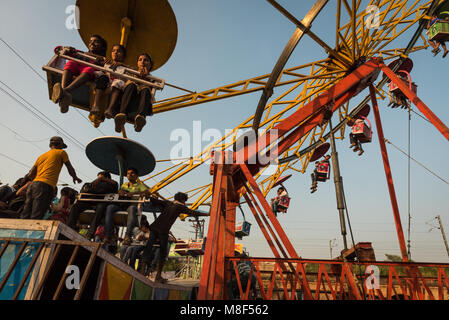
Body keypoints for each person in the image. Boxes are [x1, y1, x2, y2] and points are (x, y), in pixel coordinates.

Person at [139, 192, 197, 283]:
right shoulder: (180, 207)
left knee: (148, 248)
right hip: (163, 231)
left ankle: (142, 271)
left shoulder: (169, 203)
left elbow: (155, 200)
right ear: (182, 200)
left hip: (154, 227)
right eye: (185, 201)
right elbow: (193, 212)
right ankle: (158, 276)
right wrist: (208, 214)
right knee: (163, 253)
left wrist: (146, 195)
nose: (185, 203)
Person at [20, 137, 82, 220]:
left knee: (25, 214)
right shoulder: (61, 152)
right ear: (60, 144)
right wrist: (75, 177)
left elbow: (31, 174)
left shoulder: (41, 156)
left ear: (51, 145)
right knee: (37, 215)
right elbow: (69, 167)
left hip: (32, 185)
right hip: (46, 185)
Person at [51, 35, 108, 113]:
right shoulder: (81, 53)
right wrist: (67, 49)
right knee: (71, 62)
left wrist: (101, 62)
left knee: (90, 68)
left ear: (102, 47)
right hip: (76, 69)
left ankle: (65, 91)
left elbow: (105, 70)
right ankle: (64, 92)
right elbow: (59, 49)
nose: (92, 43)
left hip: (87, 73)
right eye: (91, 41)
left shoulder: (102, 59)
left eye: (96, 42)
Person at [103, 167, 149, 252]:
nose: (129, 175)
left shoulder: (140, 185)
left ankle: (127, 236)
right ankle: (107, 235)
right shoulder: (124, 185)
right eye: (128, 173)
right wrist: (121, 192)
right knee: (110, 207)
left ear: (136, 175)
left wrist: (133, 193)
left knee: (132, 209)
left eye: (132, 173)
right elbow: (119, 191)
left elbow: (147, 193)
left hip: (131, 205)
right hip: (121, 204)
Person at [67, 171, 118, 240]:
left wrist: (103, 180)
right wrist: (96, 183)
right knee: (75, 206)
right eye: (98, 178)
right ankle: (70, 227)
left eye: (100, 178)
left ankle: (90, 233)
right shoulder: (90, 184)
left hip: (100, 203)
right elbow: (85, 190)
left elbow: (105, 189)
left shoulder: (111, 185)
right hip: (88, 203)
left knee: (100, 208)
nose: (98, 179)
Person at [114, 53, 155, 133]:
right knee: (131, 84)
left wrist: (147, 78)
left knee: (146, 89)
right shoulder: (131, 72)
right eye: (140, 60)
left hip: (141, 100)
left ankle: (140, 118)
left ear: (150, 64)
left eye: (145, 60)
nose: (142, 62)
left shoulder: (153, 79)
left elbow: (152, 90)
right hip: (128, 96)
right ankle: (121, 115)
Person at [91, 44, 128, 120]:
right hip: (105, 84)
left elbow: (133, 70)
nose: (115, 53)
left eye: (118, 51)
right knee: (102, 76)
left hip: (115, 87)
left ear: (123, 55)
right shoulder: (107, 63)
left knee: (118, 82)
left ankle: (110, 108)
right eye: (113, 51)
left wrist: (122, 65)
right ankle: (95, 105)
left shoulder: (125, 67)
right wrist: (101, 59)